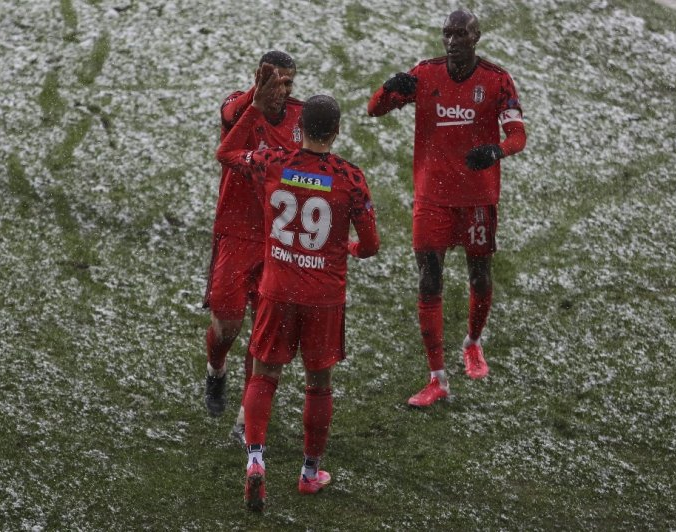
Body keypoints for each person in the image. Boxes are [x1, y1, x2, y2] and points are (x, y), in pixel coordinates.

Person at [216, 66, 380, 512]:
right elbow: (371, 245)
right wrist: (347, 246)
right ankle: (310, 472)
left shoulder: (273, 162)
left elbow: (227, 152)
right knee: (318, 383)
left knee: (265, 374)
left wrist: (252, 112)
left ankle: (255, 461)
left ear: (300, 126)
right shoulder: (350, 178)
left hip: (278, 287)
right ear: (337, 131)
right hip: (324, 297)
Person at [367, 9, 526, 407]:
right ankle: (436, 378)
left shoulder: (496, 80)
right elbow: (374, 110)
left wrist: (496, 150)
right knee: (429, 278)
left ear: (476, 38)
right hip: (432, 197)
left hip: (476, 198)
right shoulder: (424, 74)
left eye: (461, 33)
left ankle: (472, 342)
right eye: (447, 33)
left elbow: (518, 135)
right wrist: (389, 88)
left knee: (480, 275)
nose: (453, 40)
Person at [203, 51, 303, 445]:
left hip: (278, 241)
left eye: (288, 84)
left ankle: (247, 419)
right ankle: (216, 369)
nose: (281, 91)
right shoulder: (237, 104)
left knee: (263, 335)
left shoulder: (301, 118)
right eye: (274, 81)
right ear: (258, 80)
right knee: (227, 324)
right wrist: (255, 100)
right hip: (235, 234)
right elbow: (230, 124)